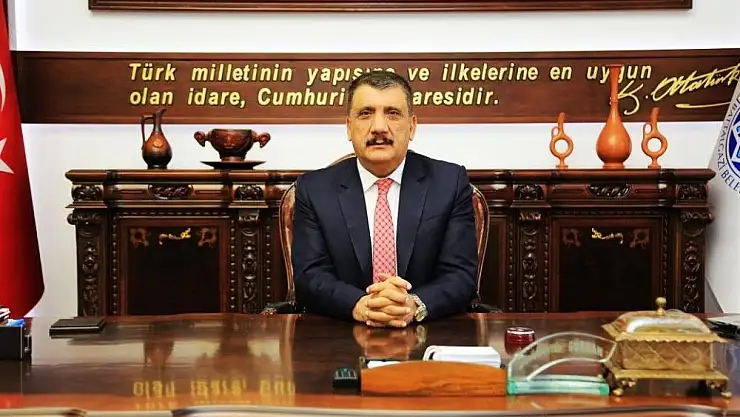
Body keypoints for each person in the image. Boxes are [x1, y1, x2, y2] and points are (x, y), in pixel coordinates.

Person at [291, 70, 477, 327]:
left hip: (429, 332)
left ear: (411, 127)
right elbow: (309, 276)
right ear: (349, 127)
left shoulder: (449, 183)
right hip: (341, 333)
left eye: (392, 113)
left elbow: (461, 275)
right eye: (366, 113)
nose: (379, 127)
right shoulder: (315, 189)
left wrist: (414, 305)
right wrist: (359, 305)